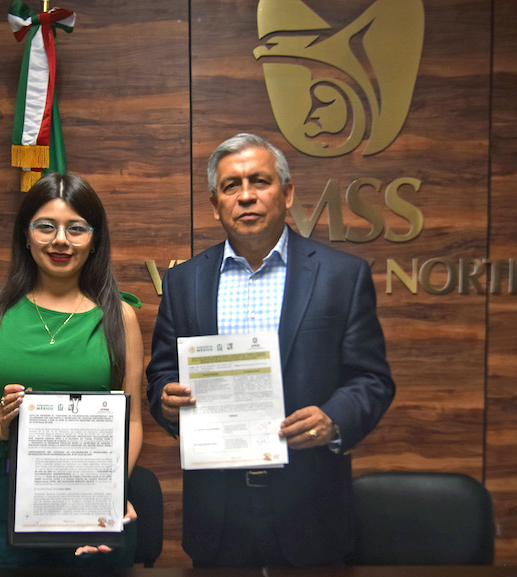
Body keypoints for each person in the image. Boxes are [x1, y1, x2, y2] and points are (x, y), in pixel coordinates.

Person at [146, 133, 395, 567]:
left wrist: (334, 418)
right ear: (215, 203)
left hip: (311, 505)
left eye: (259, 181)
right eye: (231, 186)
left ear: (287, 193)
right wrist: (166, 399)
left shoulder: (342, 275)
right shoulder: (184, 282)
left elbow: (372, 378)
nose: (246, 196)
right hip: (217, 512)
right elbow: (161, 373)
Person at [0, 172, 143, 568]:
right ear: (25, 235)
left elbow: (132, 421)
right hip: (3, 495)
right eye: (46, 226)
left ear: (95, 239)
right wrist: (0, 425)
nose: (60, 240)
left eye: (76, 228)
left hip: (92, 493)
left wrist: (111, 490)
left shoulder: (120, 317)